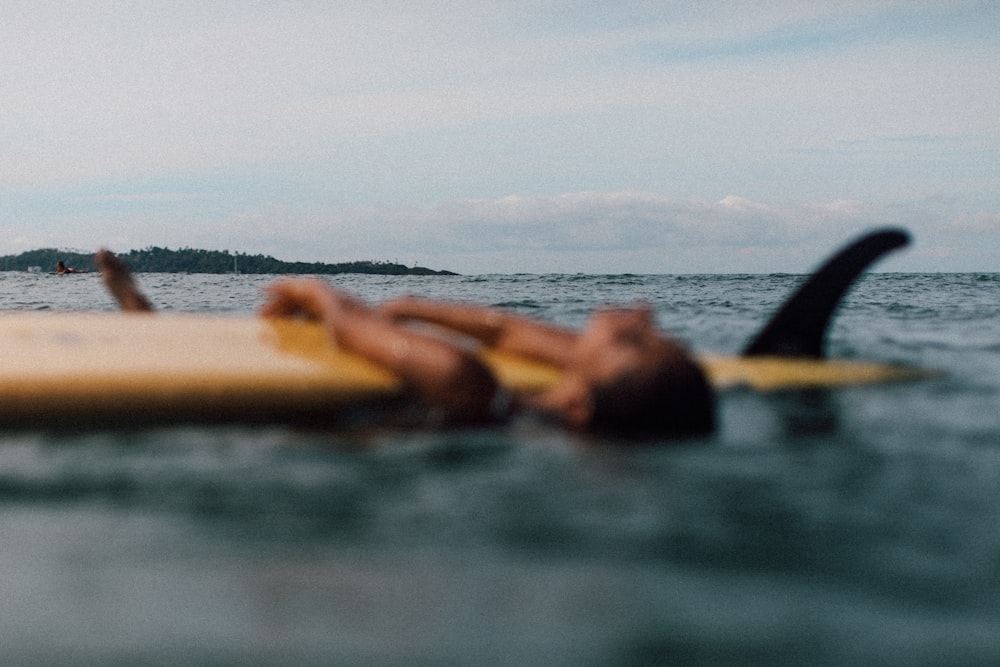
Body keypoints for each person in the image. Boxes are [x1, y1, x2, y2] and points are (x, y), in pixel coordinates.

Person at [97, 249, 715, 438]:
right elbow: (509, 331)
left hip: (355, 434)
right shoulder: (580, 391)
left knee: (276, 408)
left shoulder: (467, 384)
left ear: (581, 402)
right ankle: (146, 324)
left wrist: (307, 289)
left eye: (635, 339)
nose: (641, 312)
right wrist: (409, 304)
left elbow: (351, 323)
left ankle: (145, 325)